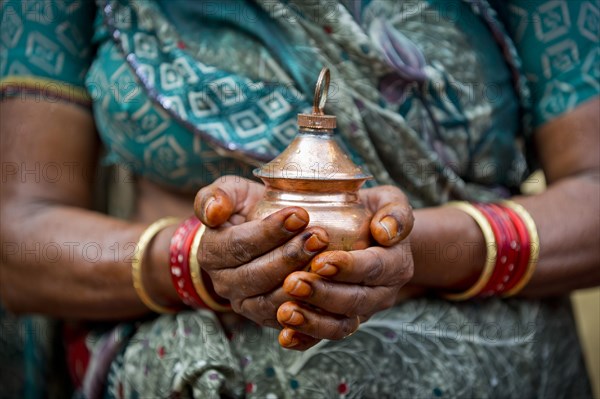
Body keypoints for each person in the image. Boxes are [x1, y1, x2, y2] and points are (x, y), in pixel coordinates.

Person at [1, 0, 598, 398]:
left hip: (492, 358)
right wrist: (200, 263)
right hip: (176, 355)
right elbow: (19, 237)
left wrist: (417, 250)